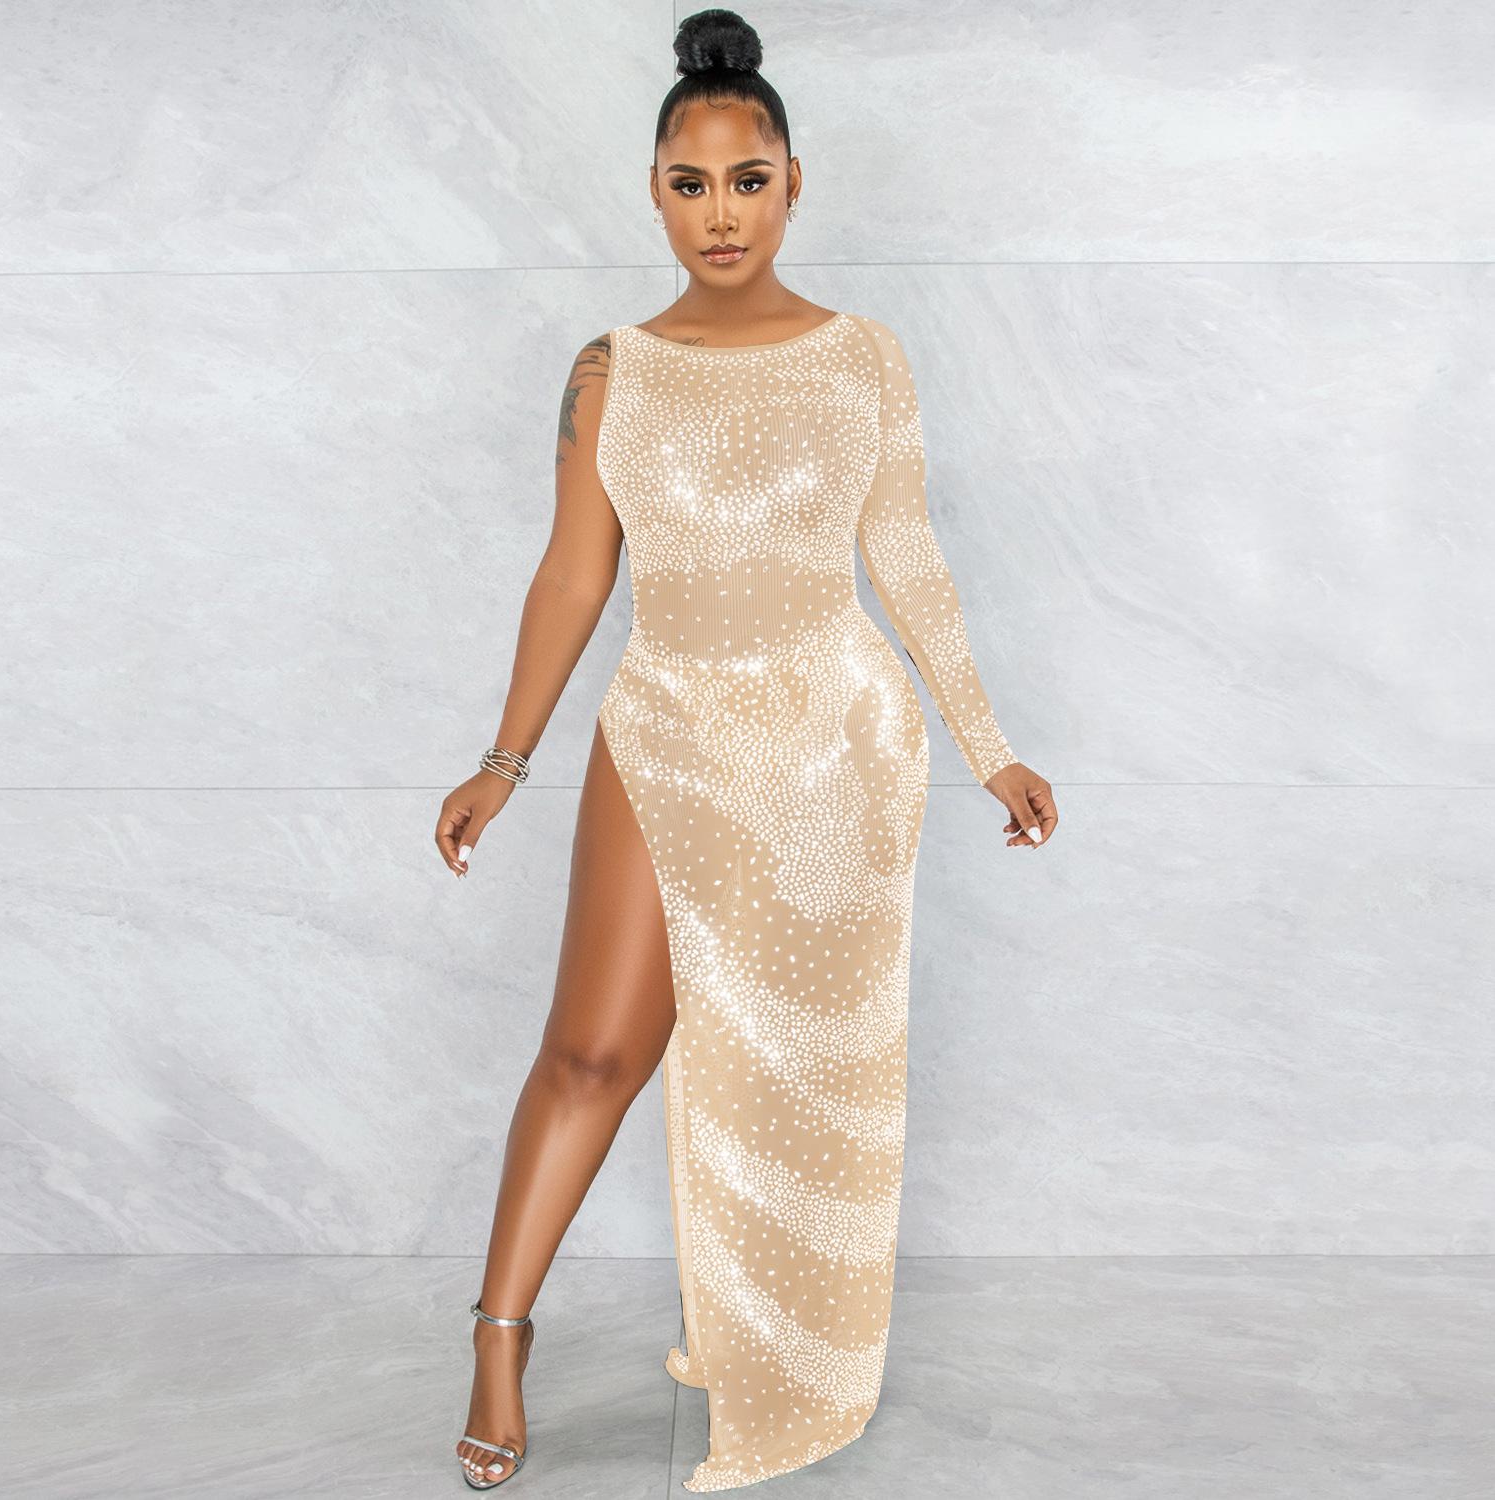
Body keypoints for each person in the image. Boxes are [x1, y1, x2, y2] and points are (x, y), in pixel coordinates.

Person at [433, 7, 1059, 1490]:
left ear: (793, 184)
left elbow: (905, 555)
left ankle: (783, 1352)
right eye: (691, 184)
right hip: (668, 722)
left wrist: (987, 745)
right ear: (653, 194)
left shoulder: (865, 358)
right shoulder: (611, 370)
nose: (722, 213)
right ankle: (498, 1338)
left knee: (801, 1065)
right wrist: (503, 763)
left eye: (749, 180)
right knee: (596, 1046)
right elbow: (573, 576)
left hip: (835, 744)